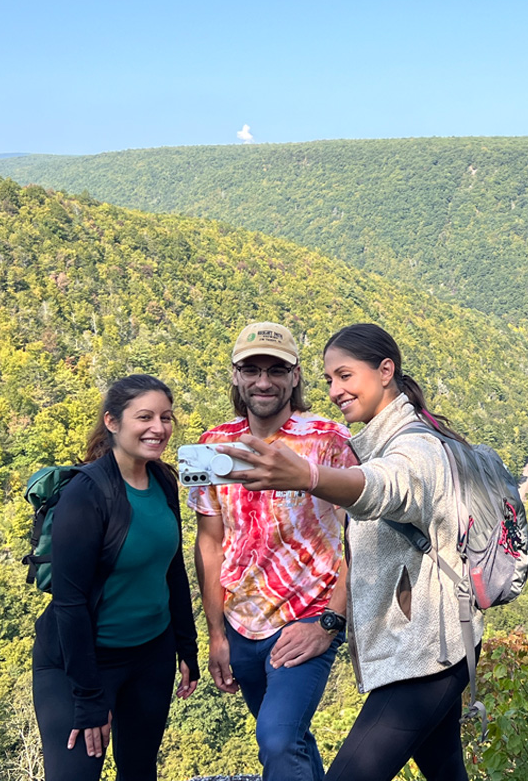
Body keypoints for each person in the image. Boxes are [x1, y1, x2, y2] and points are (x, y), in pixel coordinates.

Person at [221, 322, 484, 781]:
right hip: (433, 642)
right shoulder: (391, 436)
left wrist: (310, 476)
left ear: (386, 371)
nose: (336, 391)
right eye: (329, 380)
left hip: (425, 656)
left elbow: (386, 486)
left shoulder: (413, 446)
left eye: (346, 375)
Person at [189, 321, 357, 781]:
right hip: (242, 622)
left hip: (308, 614)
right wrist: (217, 634)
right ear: (236, 376)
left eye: (276, 370)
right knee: (290, 743)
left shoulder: (328, 441)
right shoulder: (212, 447)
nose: (264, 381)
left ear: (296, 376)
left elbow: (365, 534)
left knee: (278, 738)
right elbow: (210, 541)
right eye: (252, 369)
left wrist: (331, 621)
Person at [32, 374, 199, 781]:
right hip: (81, 662)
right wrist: (89, 697)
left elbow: (171, 567)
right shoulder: (85, 495)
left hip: (150, 656)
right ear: (112, 422)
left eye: (166, 417)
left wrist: (186, 645)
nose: (158, 428)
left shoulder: (163, 480)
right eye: (144, 417)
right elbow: (70, 603)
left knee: (139, 772)